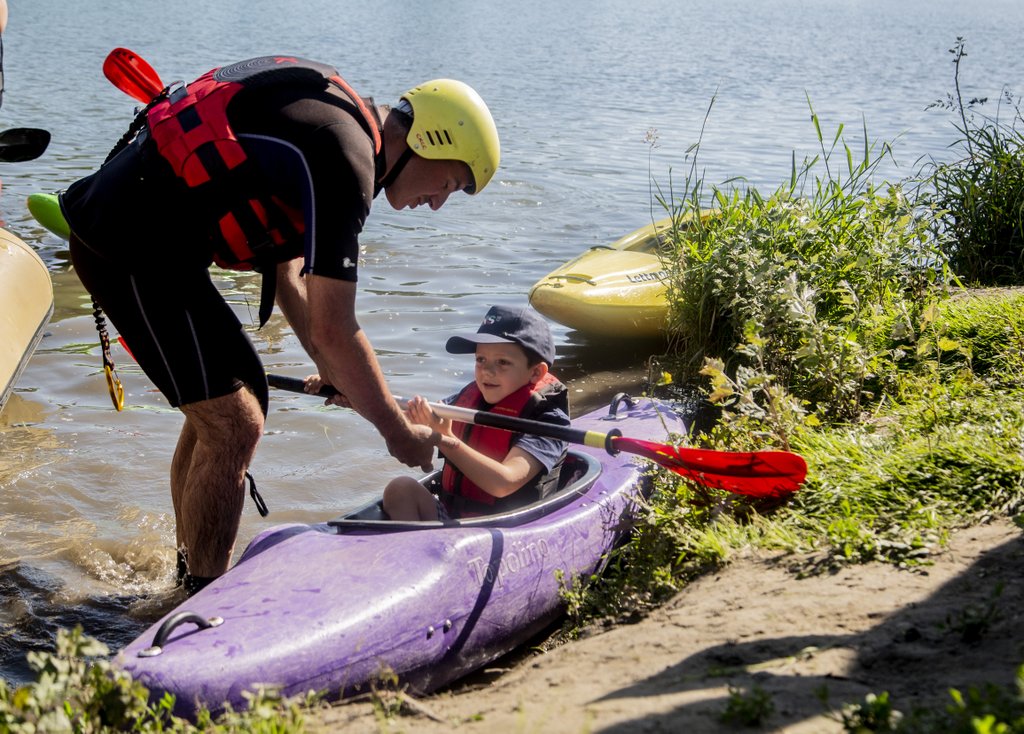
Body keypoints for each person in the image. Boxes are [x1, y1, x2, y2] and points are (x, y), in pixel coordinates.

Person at [59, 54, 500, 593]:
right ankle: (200, 603)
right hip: (126, 247)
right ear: (430, 140)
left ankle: (183, 577)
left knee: (236, 403)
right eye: (450, 183)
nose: (437, 204)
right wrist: (396, 432)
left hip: (147, 244)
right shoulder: (347, 157)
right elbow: (338, 328)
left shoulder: (337, 129)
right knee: (234, 423)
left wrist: (331, 370)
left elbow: (289, 274)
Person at [375, 305, 569, 521]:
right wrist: (401, 421)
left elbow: (504, 483)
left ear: (536, 372)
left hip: (510, 526)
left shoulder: (549, 419)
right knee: (400, 488)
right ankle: (411, 548)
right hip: (453, 516)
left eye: (503, 362)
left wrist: (446, 439)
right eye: (480, 360)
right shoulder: (468, 397)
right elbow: (416, 438)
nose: (487, 371)